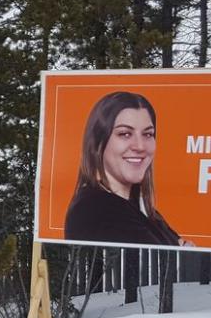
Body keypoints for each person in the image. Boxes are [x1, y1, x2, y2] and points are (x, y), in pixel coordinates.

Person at [62, 91, 185, 246]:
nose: (140, 146)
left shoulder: (140, 209)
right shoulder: (99, 210)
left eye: (147, 134)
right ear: (98, 143)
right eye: (125, 134)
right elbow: (171, 266)